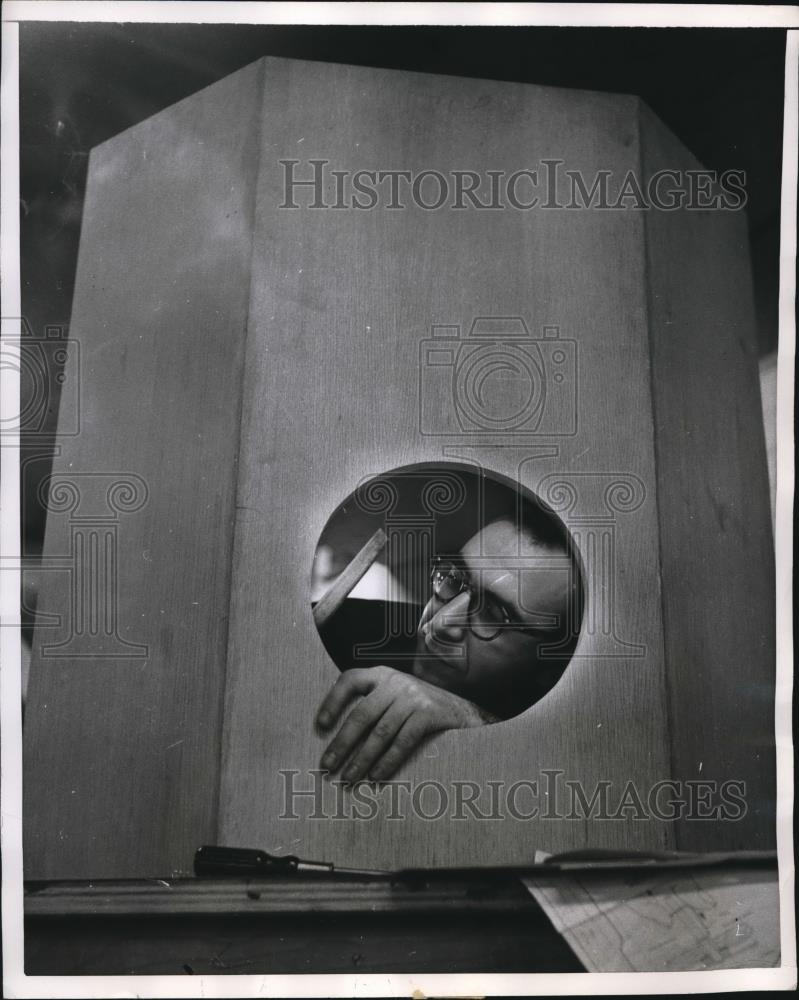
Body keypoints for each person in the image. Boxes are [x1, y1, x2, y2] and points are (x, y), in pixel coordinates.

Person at [315, 511, 581, 783]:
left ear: (552, 665)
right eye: (453, 578)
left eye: (493, 614)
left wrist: (474, 719)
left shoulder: (562, 761)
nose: (441, 622)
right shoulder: (349, 628)